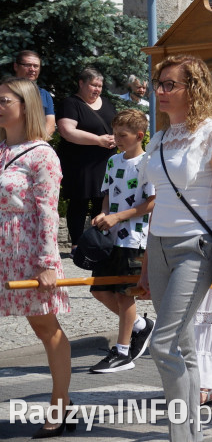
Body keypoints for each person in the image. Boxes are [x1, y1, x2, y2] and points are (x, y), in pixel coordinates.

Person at [137, 54, 212, 442]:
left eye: (170, 85)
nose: (161, 91)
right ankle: (194, 435)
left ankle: (179, 436)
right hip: (161, 246)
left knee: (162, 344)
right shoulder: (161, 137)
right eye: (159, 84)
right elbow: (159, 203)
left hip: (195, 248)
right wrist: (147, 264)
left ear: (192, 89)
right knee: (183, 344)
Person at [0, 77, 72, 438]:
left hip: (28, 250)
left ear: (25, 106)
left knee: (45, 327)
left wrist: (47, 262)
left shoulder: (42, 153)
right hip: (1, 249)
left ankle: (61, 404)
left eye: (3, 101)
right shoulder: (0, 149)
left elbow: (47, 211)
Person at [88, 109, 156, 374]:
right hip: (111, 237)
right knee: (99, 290)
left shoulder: (148, 162)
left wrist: (118, 217)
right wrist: (104, 214)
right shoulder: (113, 161)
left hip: (135, 237)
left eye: (122, 135)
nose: (116, 139)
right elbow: (107, 194)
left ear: (139, 135)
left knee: (125, 294)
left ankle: (123, 352)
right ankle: (139, 325)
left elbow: (151, 202)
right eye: (115, 133)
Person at [56, 67, 117, 251]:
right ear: (81, 83)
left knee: (102, 201)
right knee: (79, 201)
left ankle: (98, 242)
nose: (97, 89)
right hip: (79, 162)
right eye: (93, 84)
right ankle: (76, 244)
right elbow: (67, 131)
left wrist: (117, 137)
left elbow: (116, 124)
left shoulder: (106, 102)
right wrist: (98, 140)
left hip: (104, 161)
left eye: (100, 85)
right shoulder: (71, 103)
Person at [12, 50, 56, 137]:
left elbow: (50, 124)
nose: (32, 69)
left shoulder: (45, 95)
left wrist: (35, 143)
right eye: (27, 65)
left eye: (36, 66)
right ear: (16, 66)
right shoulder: (5, 91)